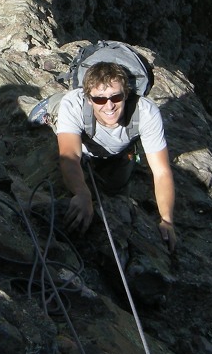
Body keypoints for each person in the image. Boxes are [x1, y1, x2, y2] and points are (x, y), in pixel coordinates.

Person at [56, 62, 176, 251]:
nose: (109, 105)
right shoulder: (73, 104)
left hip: (117, 155)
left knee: (115, 192)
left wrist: (167, 220)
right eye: (100, 99)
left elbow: (161, 172)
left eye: (116, 97)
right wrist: (82, 192)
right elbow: (69, 155)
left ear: (126, 94)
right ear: (88, 98)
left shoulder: (146, 113)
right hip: (84, 147)